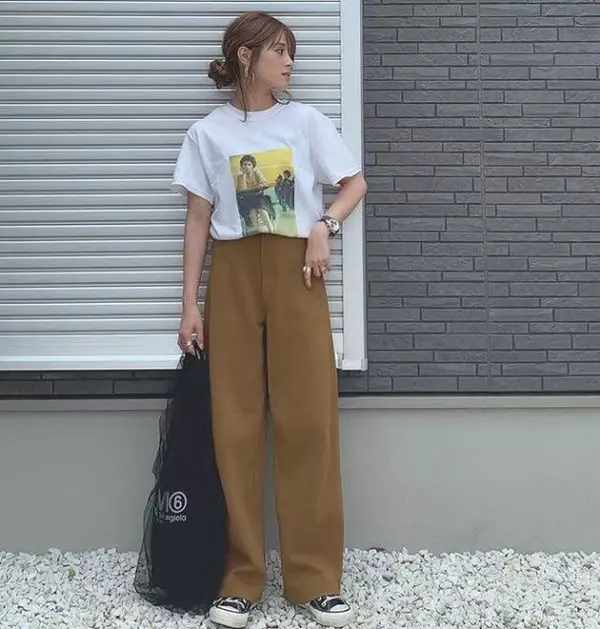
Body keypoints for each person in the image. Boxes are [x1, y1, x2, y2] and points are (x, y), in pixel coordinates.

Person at [170, 11, 367, 629]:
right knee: (234, 428)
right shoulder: (207, 133)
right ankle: (241, 579)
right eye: (279, 51)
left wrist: (324, 225)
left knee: (308, 420)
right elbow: (197, 220)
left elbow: (354, 183)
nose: (290, 62)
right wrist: (189, 304)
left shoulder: (305, 121)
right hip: (231, 275)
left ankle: (315, 579)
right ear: (245, 56)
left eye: (291, 52)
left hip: (297, 273)